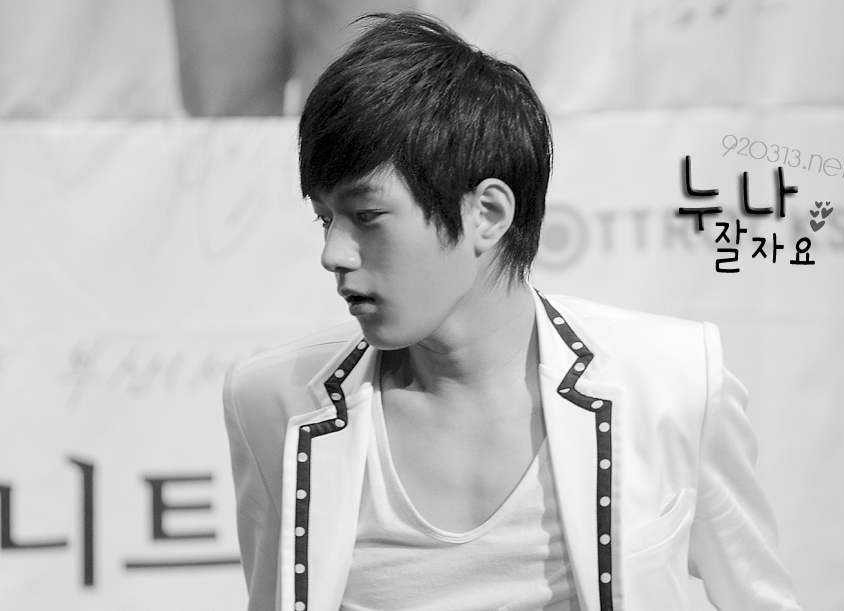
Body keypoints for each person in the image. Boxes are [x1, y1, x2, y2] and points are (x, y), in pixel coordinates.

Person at [223, 12, 802, 611]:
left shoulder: (672, 383)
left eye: (366, 216)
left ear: (488, 214)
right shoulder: (274, 403)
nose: (333, 253)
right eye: (325, 218)